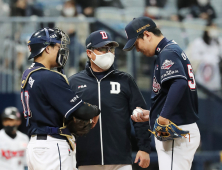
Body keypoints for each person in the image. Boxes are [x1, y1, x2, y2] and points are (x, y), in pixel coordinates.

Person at [123, 16, 200, 170]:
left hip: (176, 133)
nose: (137, 49)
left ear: (147, 35)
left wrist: (163, 118)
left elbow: (179, 84)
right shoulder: (171, 49)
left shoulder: (168, 52)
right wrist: (153, 114)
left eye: (136, 43)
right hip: (180, 130)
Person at [68, 30, 151, 170]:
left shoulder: (125, 80)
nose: (108, 52)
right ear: (89, 53)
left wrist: (144, 148)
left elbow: (140, 116)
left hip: (120, 160)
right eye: (102, 49)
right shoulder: (74, 82)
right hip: (85, 160)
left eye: (110, 48)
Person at [21, 27, 100, 170]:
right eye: (58, 46)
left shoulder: (29, 74)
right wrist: (95, 110)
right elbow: (82, 111)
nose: (62, 50)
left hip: (36, 146)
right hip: (52, 146)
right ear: (47, 49)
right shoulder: (48, 76)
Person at [186, 21, 222, 93]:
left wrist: (215, 58)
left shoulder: (219, 41)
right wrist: (205, 58)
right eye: (212, 28)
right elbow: (194, 55)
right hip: (202, 64)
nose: (214, 30)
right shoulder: (199, 42)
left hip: (217, 65)